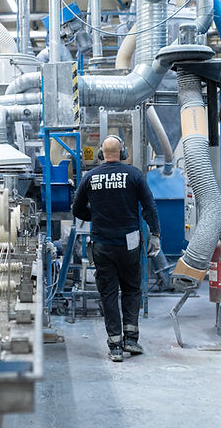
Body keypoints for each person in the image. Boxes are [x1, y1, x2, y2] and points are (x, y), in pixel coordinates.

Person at [72, 135, 161, 362]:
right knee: (131, 289)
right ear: (123, 153)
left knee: (109, 293)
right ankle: (131, 339)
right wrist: (155, 235)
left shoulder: (90, 177)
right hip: (129, 244)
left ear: (100, 154)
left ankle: (115, 346)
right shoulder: (134, 175)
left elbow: (77, 209)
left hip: (102, 244)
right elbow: (149, 206)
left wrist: (96, 216)